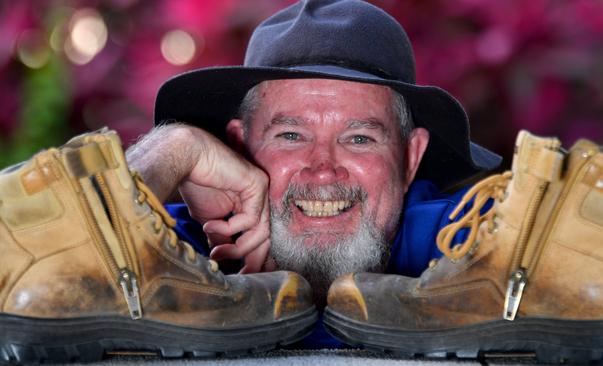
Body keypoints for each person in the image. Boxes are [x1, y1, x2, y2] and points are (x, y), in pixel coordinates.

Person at [126, 0, 501, 346]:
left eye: (359, 138)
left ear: (410, 157)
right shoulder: (164, 247)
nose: (323, 171)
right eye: (291, 135)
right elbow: (72, 239)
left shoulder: (464, 241)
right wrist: (176, 146)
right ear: (239, 148)